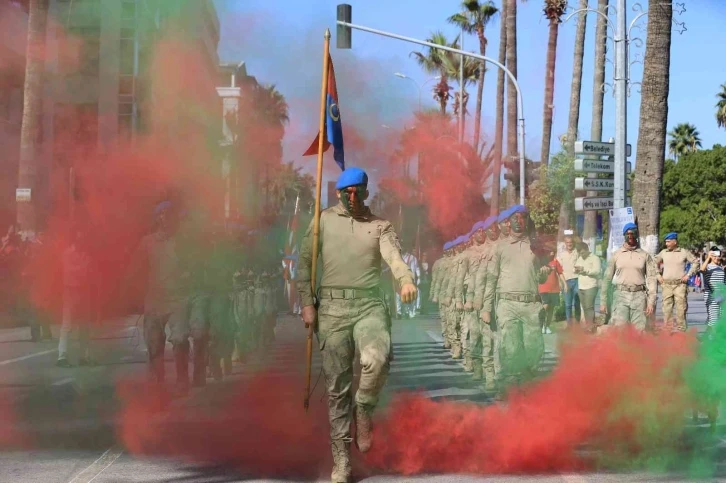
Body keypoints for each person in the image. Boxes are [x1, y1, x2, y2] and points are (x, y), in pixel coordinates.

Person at [297, 167, 416, 483]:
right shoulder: (322, 221)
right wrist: (307, 303)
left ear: (366, 192)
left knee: (375, 359)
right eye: (346, 192)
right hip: (332, 310)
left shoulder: (380, 226)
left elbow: (394, 257)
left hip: (369, 307)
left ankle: (364, 407)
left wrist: (405, 280)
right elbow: (305, 262)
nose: (353, 197)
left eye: (358, 191)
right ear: (338, 193)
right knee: (337, 389)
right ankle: (342, 460)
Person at [126, 201, 198, 396]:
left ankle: (182, 379)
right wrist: (134, 290)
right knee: (154, 342)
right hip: (155, 298)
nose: (165, 218)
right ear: (157, 218)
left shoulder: (183, 241)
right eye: (162, 214)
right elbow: (134, 269)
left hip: (178, 298)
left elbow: (195, 264)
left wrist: (189, 275)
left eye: (169, 214)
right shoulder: (147, 242)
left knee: (180, 338)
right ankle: (157, 382)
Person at [482, 205, 549, 391]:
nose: (519, 222)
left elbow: (545, 269)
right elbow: (491, 278)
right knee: (510, 348)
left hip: (531, 304)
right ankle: (508, 388)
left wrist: (544, 272)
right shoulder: (499, 247)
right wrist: (486, 308)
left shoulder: (536, 246)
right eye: (515, 218)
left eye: (523, 218)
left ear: (527, 221)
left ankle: (527, 383)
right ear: (509, 222)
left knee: (534, 349)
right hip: (507, 304)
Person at [599, 222, 658, 331]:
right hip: (620, 296)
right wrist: (603, 302)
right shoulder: (616, 255)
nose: (630, 236)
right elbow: (606, 279)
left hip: (639, 296)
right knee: (620, 329)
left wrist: (651, 302)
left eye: (633, 234)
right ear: (624, 236)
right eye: (628, 234)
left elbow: (651, 280)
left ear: (636, 235)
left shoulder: (645, 255)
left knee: (639, 330)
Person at [56, 226, 94, 367]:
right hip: (70, 291)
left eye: (83, 238)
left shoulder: (86, 254)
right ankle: (62, 356)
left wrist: (81, 268)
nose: (81, 240)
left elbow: (87, 271)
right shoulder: (67, 253)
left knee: (84, 326)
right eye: (79, 237)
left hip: (84, 291)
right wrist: (82, 268)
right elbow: (70, 270)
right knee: (67, 325)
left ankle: (83, 356)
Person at [654, 232, 698, 333]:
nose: (666, 244)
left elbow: (695, 262)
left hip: (680, 286)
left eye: (668, 242)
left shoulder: (684, 252)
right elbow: (652, 263)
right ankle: (667, 333)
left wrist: (688, 275)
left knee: (681, 310)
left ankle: (681, 333)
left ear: (675, 242)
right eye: (666, 241)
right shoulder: (663, 252)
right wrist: (658, 275)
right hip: (667, 285)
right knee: (667, 311)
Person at [574, 242, 602, 331]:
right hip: (581, 286)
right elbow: (576, 269)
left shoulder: (595, 258)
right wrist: (576, 270)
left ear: (587, 250)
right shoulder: (579, 258)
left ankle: (590, 327)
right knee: (585, 307)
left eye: (582, 253)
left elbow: (597, 271)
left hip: (591, 286)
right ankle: (589, 325)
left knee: (589, 307)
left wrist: (584, 270)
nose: (581, 255)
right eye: (580, 253)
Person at [538, 249, 565, 334]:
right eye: (550, 252)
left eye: (553, 252)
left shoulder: (555, 262)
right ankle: (541, 325)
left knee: (551, 309)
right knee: (545, 307)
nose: (552, 253)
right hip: (543, 288)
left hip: (554, 289)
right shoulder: (540, 262)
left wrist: (565, 283)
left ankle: (547, 326)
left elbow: (560, 273)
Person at [699, 246, 725, 333]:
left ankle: (706, 336)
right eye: (714, 255)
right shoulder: (708, 267)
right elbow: (701, 270)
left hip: (722, 296)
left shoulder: (721, 268)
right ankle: (714, 340)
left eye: (718, 255)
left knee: (720, 318)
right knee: (714, 319)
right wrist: (708, 257)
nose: (716, 257)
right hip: (711, 295)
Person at [557, 234, 581, 326]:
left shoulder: (577, 252)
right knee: (568, 305)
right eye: (567, 242)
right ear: (565, 243)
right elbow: (559, 270)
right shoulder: (561, 255)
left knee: (577, 303)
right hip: (566, 282)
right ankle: (569, 325)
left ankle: (578, 324)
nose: (569, 244)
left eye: (570, 242)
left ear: (573, 243)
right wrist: (561, 283)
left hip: (577, 280)